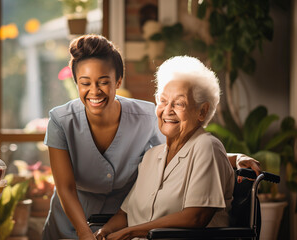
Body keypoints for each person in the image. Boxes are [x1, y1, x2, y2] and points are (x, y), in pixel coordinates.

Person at [43, 35, 260, 240]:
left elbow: (194, 149)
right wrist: (95, 232)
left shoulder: (152, 119)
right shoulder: (62, 121)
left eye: (103, 81)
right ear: (76, 83)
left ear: (118, 81)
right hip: (73, 223)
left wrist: (232, 157)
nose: (94, 91)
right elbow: (66, 188)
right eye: (163, 101)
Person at [94, 56, 238, 239]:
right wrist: (105, 230)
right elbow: (126, 213)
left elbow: (196, 217)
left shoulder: (206, 147)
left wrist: (130, 232)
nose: (167, 110)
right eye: (162, 100)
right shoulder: (152, 156)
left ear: (202, 111)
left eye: (179, 103)